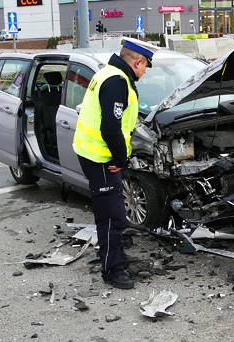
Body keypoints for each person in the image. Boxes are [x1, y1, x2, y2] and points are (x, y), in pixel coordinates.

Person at [72, 38, 158, 289]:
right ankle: (112, 270)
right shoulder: (116, 82)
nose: (144, 72)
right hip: (102, 158)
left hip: (92, 153)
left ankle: (113, 255)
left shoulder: (108, 73)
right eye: (145, 67)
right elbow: (111, 128)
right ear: (137, 62)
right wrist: (121, 159)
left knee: (110, 214)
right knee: (112, 217)